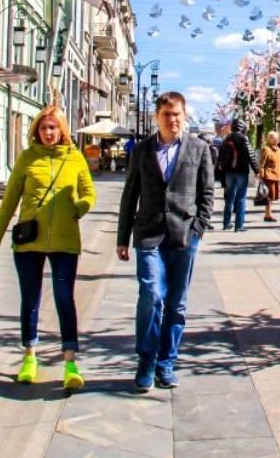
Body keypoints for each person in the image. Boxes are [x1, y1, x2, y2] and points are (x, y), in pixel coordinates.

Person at [0, 105, 96, 389]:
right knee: (30, 299)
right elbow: (10, 201)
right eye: (44, 128)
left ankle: (70, 361)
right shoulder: (27, 158)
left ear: (62, 130)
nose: (48, 133)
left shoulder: (75, 158)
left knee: (63, 298)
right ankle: (30, 356)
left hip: (65, 240)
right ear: (37, 131)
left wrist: (78, 208)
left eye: (53, 128)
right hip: (29, 241)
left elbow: (89, 192)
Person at [117, 91, 214, 392]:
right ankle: (146, 360)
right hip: (148, 233)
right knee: (151, 295)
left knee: (176, 304)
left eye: (177, 115)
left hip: (184, 235)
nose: (172, 120)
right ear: (156, 117)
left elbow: (207, 194)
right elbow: (129, 194)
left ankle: (166, 363)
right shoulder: (142, 150)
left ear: (185, 117)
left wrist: (198, 228)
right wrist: (123, 237)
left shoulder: (199, 148)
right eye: (166, 115)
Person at [219, 118, 258, 231]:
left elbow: (221, 156)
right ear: (242, 127)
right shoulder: (243, 138)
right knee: (241, 198)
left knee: (229, 197)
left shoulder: (226, 138)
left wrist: (224, 170)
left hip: (229, 172)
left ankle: (226, 224)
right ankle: (239, 225)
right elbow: (250, 154)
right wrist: (257, 171)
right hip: (241, 171)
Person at [258, 130, 280, 222]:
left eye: (276, 138)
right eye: (273, 138)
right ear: (269, 139)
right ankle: (268, 215)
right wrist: (261, 177)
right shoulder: (266, 149)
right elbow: (262, 164)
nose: (275, 140)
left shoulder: (279, 150)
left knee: (273, 197)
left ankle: (268, 213)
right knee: (269, 196)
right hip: (268, 176)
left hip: (277, 176)